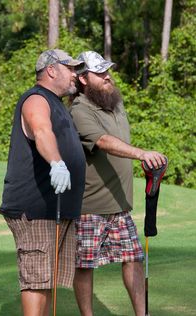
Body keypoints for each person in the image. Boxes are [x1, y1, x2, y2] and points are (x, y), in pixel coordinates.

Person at [69, 51, 167, 316]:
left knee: (134, 259)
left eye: (107, 71)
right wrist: (141, 154)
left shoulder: (115, 104)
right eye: (99, 73)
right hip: (90, 206)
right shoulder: (79, 110)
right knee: (85, 265)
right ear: (84, 79)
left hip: (121, 204)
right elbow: (103, 142)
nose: (107, 76)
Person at [0, 49, 86, 316]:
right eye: (70, 68)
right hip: (36, 209)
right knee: (37, 281)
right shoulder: (36, 99)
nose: (75, 74)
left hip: (56, 208)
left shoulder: (58, 101)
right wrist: (57, 163)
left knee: (46, 280)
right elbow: (41, 130)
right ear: (51, 70)